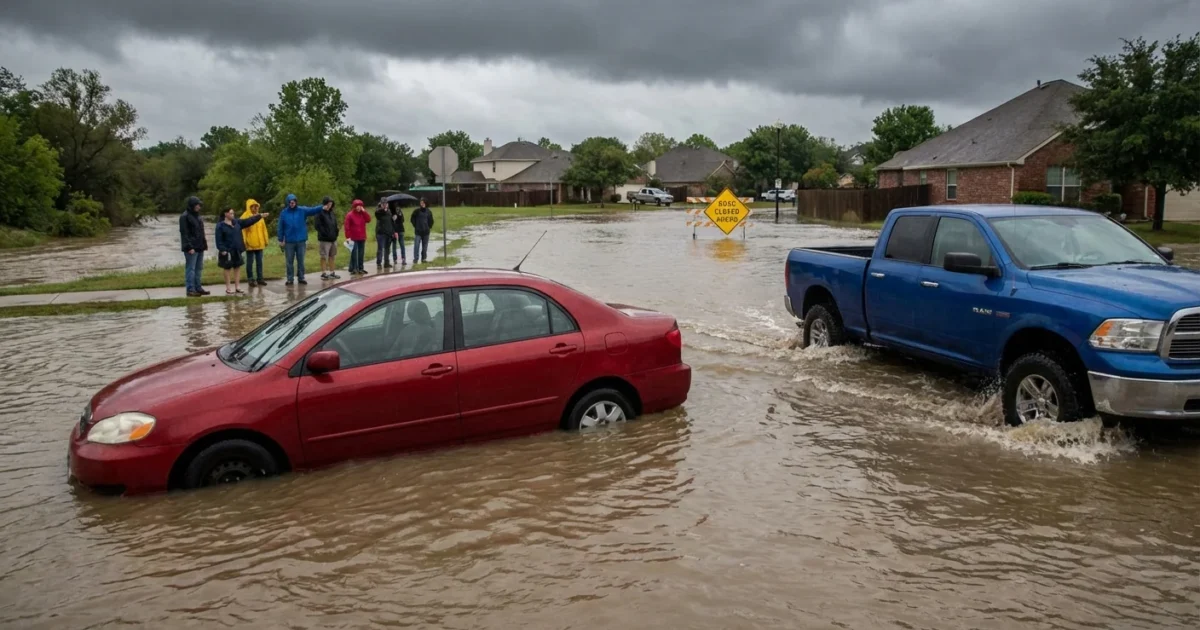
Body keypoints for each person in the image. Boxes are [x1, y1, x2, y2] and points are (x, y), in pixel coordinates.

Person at [277, 194, 331, 286]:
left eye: (293, 202)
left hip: (301, 240)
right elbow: (280, 227)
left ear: (296, 202)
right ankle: (290, 279)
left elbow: (313, 210)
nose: (292, 203)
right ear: (288, 203)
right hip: (289, 241)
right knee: (289, 261)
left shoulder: (302, 210)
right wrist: (280, 239)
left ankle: (301, 277)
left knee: (300, 260)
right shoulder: (284, 213)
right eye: (290, 202)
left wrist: (322, 207)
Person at [215, 206, 268, 294]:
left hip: (237, 250)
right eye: (231, 213)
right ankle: (228, 288)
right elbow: (218, 239)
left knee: (237, 267)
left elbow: (249, 221)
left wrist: (260, 216)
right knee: (227, 268)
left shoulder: (237, 222)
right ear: (226, 214)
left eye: (233, 213)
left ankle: (237, 287)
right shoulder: (220, 226)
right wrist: (222, 249)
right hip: (227, 251)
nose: (233, 215)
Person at [179, 196, 209, 297]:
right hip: (191, 248)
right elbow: (184, 233)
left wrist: (204, 244)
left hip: (200, 246)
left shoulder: (198, 216)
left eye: (199, 205)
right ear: (192, 205)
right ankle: (190, 289)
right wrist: (189, 247)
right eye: (197, 205)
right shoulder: (184, 216)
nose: (199, 207)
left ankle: (198, 287)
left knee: (199, 268)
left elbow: (201, 232)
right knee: (190, 268)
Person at [240, 199, 268, 286]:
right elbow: (243, 231)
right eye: (253, 206)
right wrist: (244, 242)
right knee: (250, 262)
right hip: (250, 244)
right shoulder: (244, 217)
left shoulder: (260, 217)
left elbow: (264, 230)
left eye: (256, 206)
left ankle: (260, 278)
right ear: (249, 207)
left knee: (260, 262)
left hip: (259, 244)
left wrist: (265, 240)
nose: (255, 208)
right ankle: (250, 279)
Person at [343, 199, 371, 274]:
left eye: (360, 206)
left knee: (361, 253)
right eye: (357, 206)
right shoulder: (350, 215)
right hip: (353, 237)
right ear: (354, 207)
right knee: (354, 253)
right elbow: (346, 226)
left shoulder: (362, 214)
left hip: (362, 236)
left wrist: (364, 211)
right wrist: (348, 237)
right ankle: (354, 268)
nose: (358, 208)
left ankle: (361, 268)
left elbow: (368, 219)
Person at [315, 198, 340, 280]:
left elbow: (335, 224)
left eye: (331, 204)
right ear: (324, 204)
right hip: (324, 239)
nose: (330, 206)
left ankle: (332, 272)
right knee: (323, 256)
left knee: (332, 256)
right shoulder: (319, 213)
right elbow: (317, 226)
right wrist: (324, 234)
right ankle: (323, 273)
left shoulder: (332, 213)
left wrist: (336, 232)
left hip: (333, 238)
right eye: (328, 204)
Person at [410, 198, 435, 264]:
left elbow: (431, 221)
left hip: (426, 232)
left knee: (425, 246)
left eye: (423, 203)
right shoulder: (416, 211)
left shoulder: (429, 212)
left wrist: (429, 227)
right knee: (416, 246)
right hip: (418, 232)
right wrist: (415, 225)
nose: (422, 204)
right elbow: (412, 219)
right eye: (421, 203)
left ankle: (423, 258)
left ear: (425, 203)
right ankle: (416, 258)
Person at [375, 200, 397, 269]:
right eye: (383, 204)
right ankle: (379, 263)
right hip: (381, 233)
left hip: (389, 233)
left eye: (386, 203)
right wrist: (383, 209)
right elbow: (377, 214)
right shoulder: (379, 212)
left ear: (387, 204)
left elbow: (391, 224)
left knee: (387, 249)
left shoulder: (389, 212)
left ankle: (386, 263)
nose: (385, 205)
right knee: (380, 249)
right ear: (381, 204)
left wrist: (394, 232)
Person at [390, 201, 407, 266]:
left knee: (396, 245)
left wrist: (399, 216)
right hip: (397, 230)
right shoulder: (396, 211)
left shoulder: (394, 211)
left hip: (398, 230)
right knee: (400, 245)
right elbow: (402, 220)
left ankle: (396, 259)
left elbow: (402, 220)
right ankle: (402, 258)